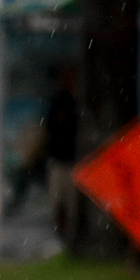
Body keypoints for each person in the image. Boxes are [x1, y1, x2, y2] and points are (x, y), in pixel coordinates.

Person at [40, 64, 81, 248]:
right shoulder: (58, 103)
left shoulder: (77, 103)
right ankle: (62, 237)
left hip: (73, 161)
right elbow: (48, 129)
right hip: (59, 160)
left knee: (72, 203)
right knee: (59, 201)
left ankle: (71, 237)